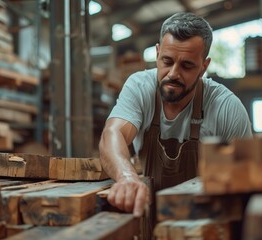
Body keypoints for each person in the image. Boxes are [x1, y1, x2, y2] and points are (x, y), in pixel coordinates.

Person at [99, 12, 253, 217]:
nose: (173, 73)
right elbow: (113, 133)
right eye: (167, 61)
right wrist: (127, 177)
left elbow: (248, 175)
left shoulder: (226, 107)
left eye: (187, 65)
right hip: (147, 211)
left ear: (204, 67)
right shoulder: (139, 87)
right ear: (157, 53)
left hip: (204, 220)